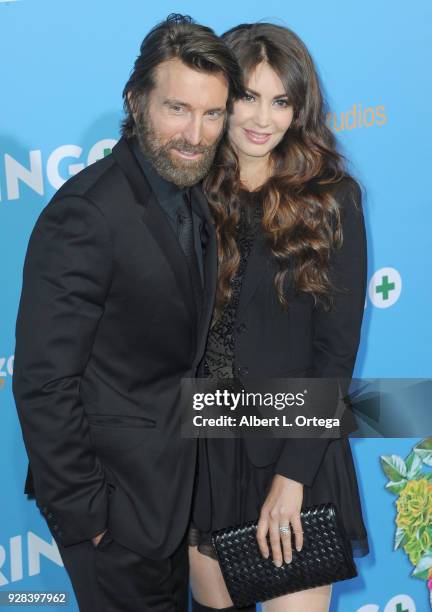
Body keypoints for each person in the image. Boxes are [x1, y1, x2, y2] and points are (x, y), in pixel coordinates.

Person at [12, 14, 243, 612]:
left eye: (212, 113)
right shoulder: (86, 214)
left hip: (174, 499)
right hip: (115, 515)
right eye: (177, 109)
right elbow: (43, 380)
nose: (195, 134)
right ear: (136, 101)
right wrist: (90, 518)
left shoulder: (194, 195)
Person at [188, 22, 369, 612]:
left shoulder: (330, 197)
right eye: (247, 96)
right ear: (222, 95)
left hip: (298, 447)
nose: (262, 118)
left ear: (300, 106)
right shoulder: (188, 189)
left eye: (281, 100)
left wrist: (293, 477)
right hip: (205, 452)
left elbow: (335, 351)